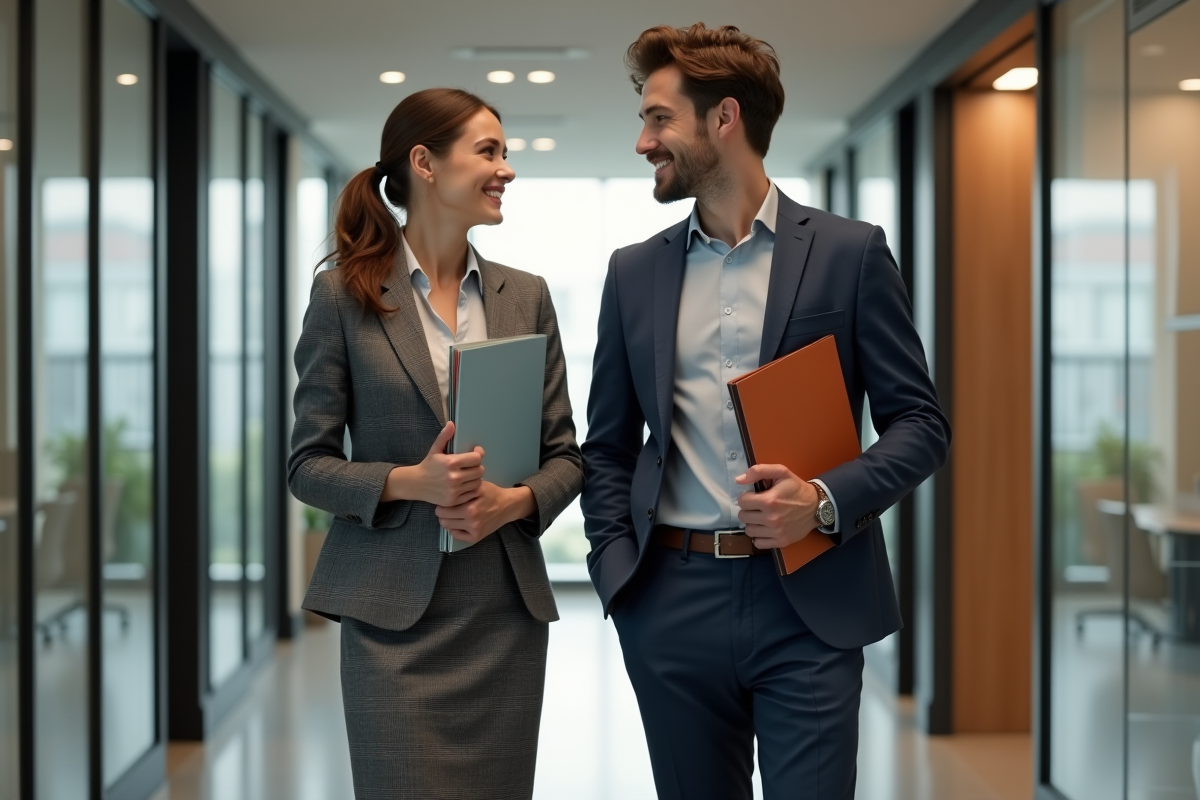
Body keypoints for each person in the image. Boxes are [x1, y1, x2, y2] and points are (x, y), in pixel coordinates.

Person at [582, 24, 951, 800]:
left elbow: (920, 425)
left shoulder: (850, 254)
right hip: (669, 603)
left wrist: (821, 503)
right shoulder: (633, 273)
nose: (643, 141)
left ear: (724, 119)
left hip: (811, 601)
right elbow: (609, 445)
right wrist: (620, 576)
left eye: (657, 119)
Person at [288, 87, 583, 800]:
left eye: (506, 154)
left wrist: (511, 503)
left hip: (503, 615)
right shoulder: (343, 296)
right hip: (392, 619)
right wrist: (409, 482)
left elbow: (568, 457)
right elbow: (307, 465)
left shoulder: (526, 295)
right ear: (424, 162)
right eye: (488, 151)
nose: (505, 169)